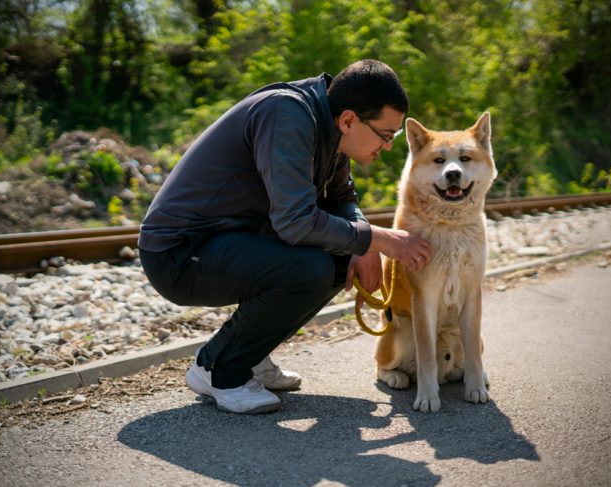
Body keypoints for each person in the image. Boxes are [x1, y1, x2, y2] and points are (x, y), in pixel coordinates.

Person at [138, 59, 431, 414]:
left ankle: (250, 355)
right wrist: (378, 240)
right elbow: (295, 222)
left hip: (232, 244)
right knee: (309, 269)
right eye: (386, 135)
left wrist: (364, 244)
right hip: (180, 253)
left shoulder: (331, 128)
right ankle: (219, 370)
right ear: (350, 120)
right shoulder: (286, 114)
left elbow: (342, 201)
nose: (387, 146)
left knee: (338, 258)